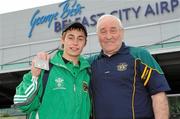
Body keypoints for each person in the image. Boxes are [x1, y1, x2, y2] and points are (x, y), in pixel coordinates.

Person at [90, 14, 171, 119]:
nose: (108, 36)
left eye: (113, 30)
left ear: (122, 32)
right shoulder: (89, 64)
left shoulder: (140, 56)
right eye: (103, 31)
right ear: (98, 35)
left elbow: (158, 95)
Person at [13, 22, 91, 119]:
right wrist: (34, 76)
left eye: (80, 38)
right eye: (70, 38)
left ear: (85, 43)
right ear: (62, 40)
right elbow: (21, 103)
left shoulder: (87, 73)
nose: (75, 42)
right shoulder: (45, 68)